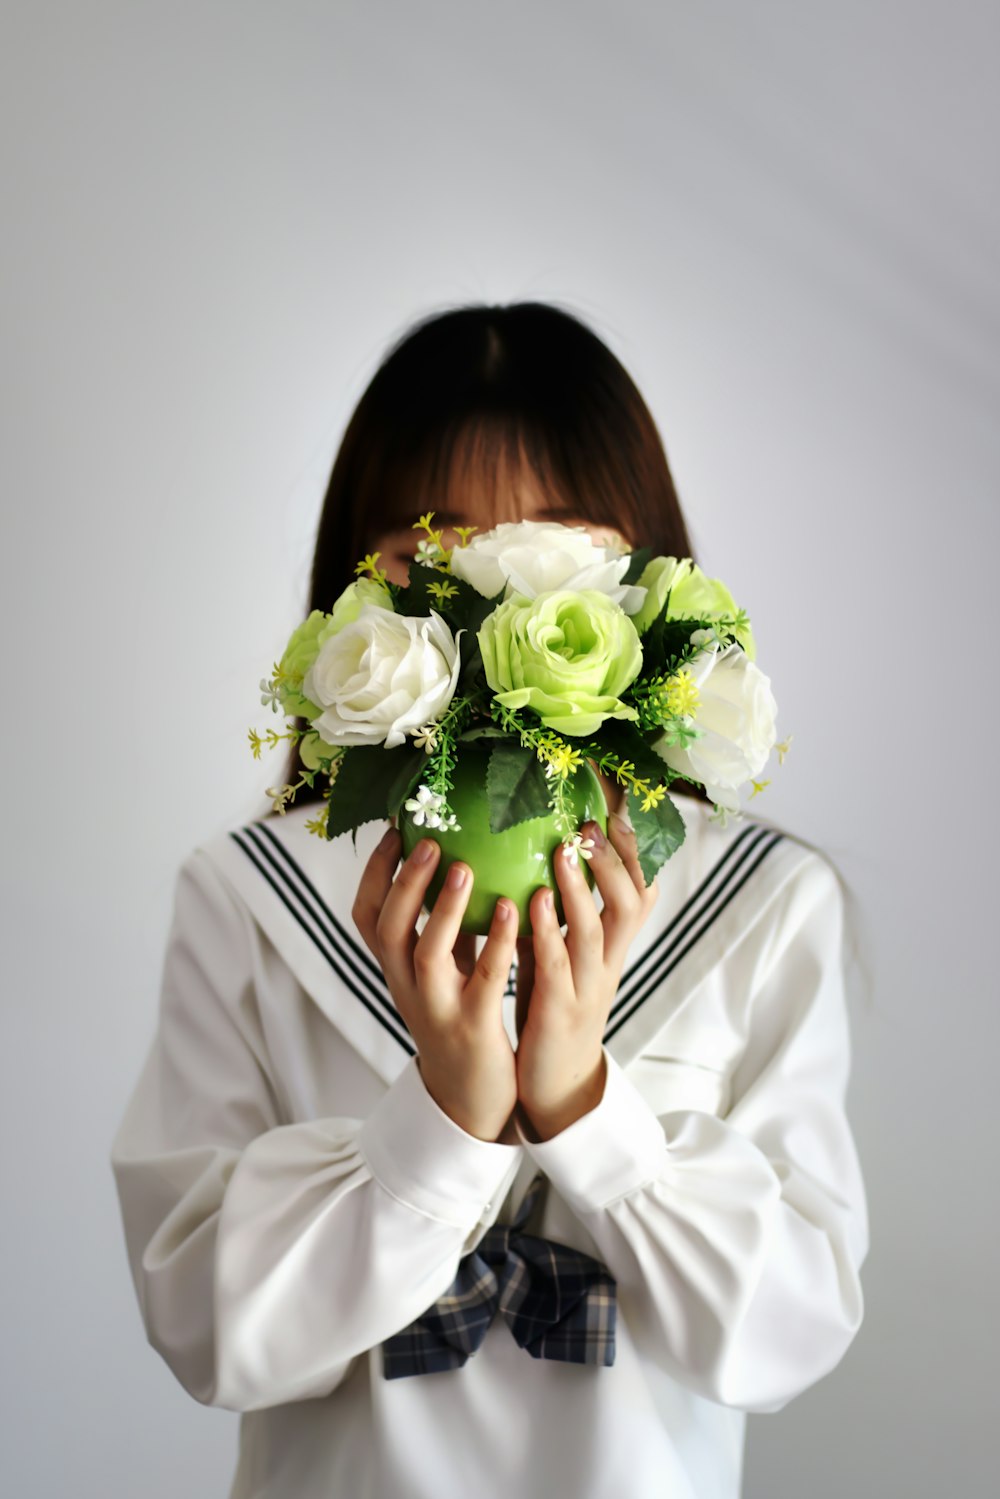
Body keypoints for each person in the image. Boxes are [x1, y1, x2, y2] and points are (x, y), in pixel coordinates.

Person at [109, 301, 869, 1499]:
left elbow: (788, 1332)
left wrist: (587, 1109)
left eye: (555, 556)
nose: (496, 625)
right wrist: (443, 1127)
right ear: (356, 593)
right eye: (437, 566)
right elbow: (206, 1325)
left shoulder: (761, 903)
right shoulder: (249, 896)